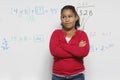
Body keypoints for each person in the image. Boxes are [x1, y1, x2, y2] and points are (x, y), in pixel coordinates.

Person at [49, 5, 90, 80]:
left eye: (70, 16)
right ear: (61, 19)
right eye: (63, 17)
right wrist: (76, 48)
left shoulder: (82, 34)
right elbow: (54, 52)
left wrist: (62, 46)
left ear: (76, 17)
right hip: (58, 76)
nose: (67, 19)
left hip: (77, 76)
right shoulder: (56, 33)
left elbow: (84, 52)